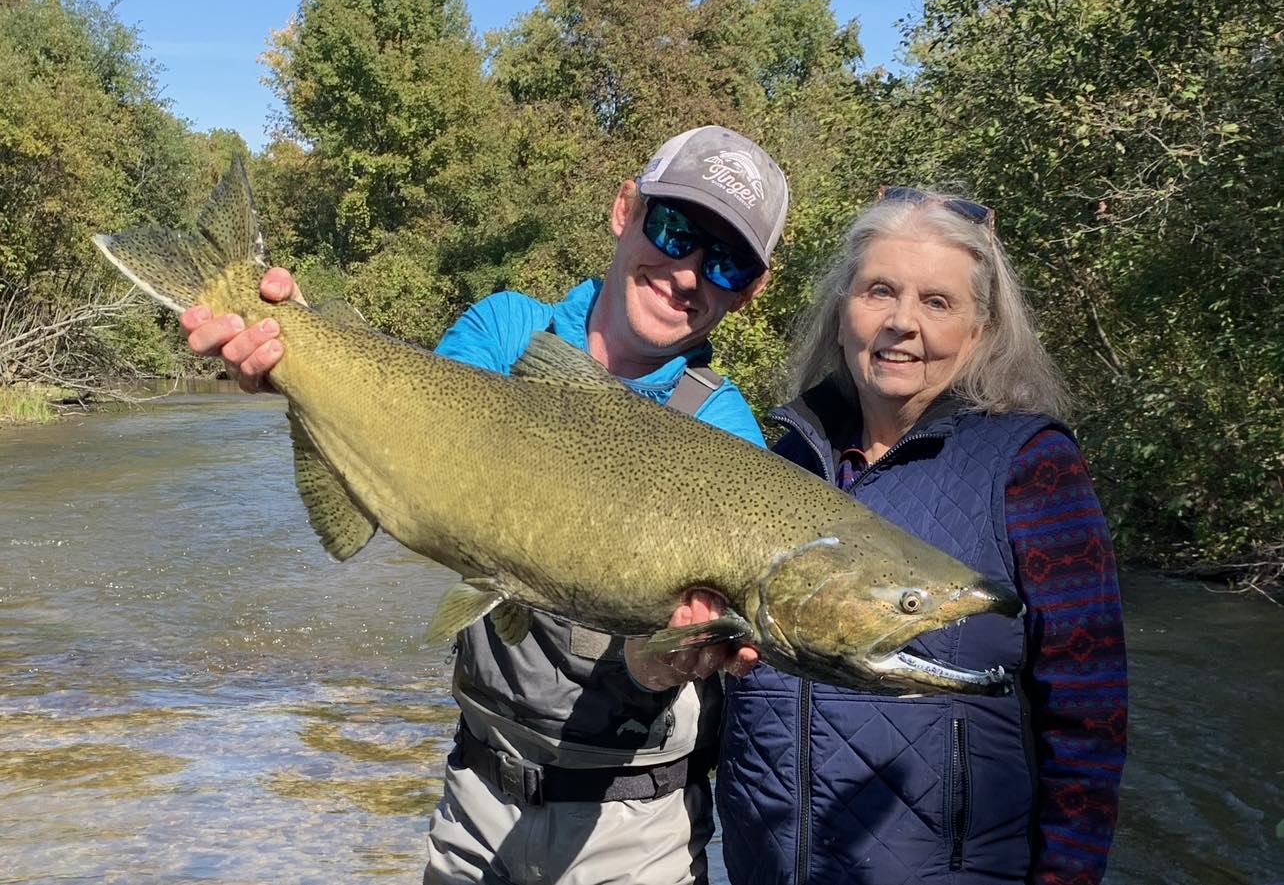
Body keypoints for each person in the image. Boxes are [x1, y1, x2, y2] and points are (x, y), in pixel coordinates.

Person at [180, 126, 787, 885]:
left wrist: (660, 661)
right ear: (624, 208)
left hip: (633, 827)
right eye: (674, 229)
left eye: (726, 262)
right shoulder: (506, 329)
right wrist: (294, 343)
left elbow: (679, 666)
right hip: (475, 795)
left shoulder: (728, 437)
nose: (687, 272)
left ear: (753, 290)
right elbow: (409, 434)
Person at [716, 187, 1127, 885]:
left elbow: (1090, 715)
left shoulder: (1032, 468)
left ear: (981, 330)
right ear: (843, 309)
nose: (901, 323)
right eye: (880, 290)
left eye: (937, 302)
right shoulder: (778, 463)